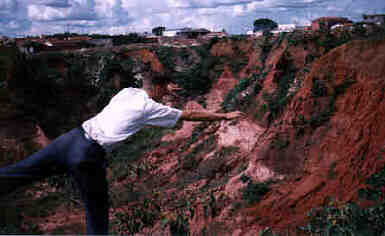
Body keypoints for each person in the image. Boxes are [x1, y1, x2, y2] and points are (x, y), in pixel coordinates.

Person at [0, 69, 243, 235]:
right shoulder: (149, 107)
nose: (168, 91)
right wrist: (223, 115)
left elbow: (147, 98)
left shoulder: (128, 92)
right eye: (166, 88)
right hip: (88, 154)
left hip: (70, 138)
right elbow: (188, 115)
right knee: (96, 209)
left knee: (20, 172)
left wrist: (165, 91)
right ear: (159, 87)